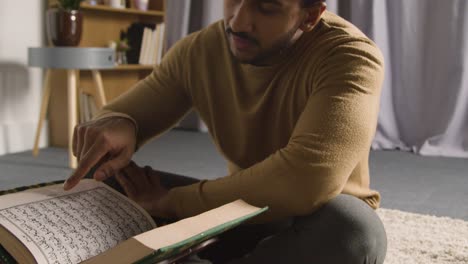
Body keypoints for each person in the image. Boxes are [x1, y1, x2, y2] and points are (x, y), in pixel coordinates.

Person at [64, 0, 387, 263]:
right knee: (103, 176)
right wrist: (120, 124)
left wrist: (172, 203)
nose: (239, 20)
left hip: (316, 219)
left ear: (310, 16)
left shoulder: (350, 56)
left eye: (267, 7)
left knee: (353, 232)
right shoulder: (202, 50)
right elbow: (127, 112)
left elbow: (306, 180)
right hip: (242, 214)